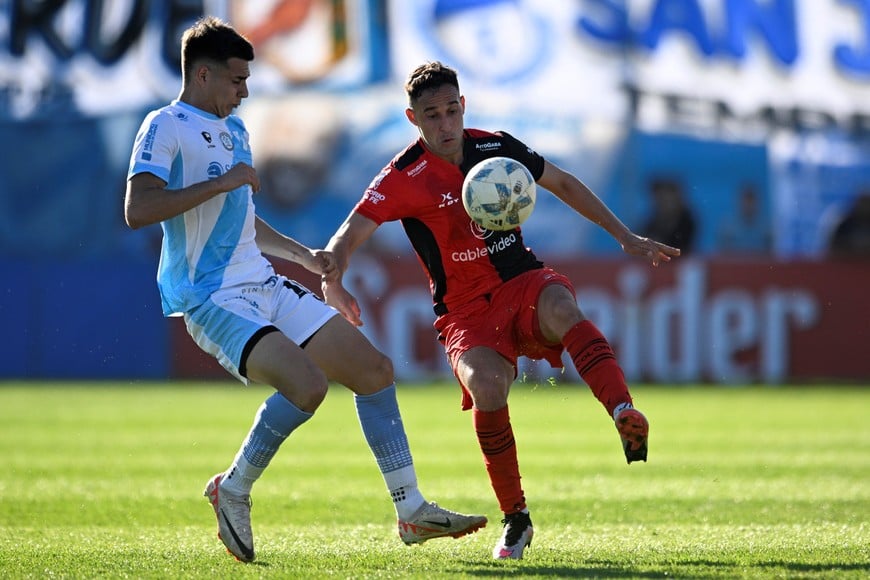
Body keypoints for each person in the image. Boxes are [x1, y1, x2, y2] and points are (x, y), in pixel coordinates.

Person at [124, 20, 486, 563]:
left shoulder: (235, 131)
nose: (244, 91)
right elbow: (138, 209)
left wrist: (304, 257)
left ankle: (410, 509)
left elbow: (241, 222)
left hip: (264, 285)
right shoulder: (164, 126)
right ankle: (234, 488)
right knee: (308, 387)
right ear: (202, 74)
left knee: (374, 371)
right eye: (236, 80)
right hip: (210, 298)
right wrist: (221, 183)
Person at [322, 61, 681, 560]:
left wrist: (626, 237)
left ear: (463, 106)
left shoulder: (495, 147)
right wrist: (333, 271)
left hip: (521, 279)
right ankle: (517, 519)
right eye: (432, 115)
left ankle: (623, 411)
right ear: (413, 118)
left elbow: (564, 183)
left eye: (452, 111)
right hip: (464, 310)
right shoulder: (403, 175)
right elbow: (350, 234)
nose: (445, 124)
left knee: (561, 306)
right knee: (488, 388)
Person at [640, 176, 697, 254]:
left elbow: (679, 246)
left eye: (666, 199)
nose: (663, 203)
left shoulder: (687, 221)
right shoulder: (653, 219)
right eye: (660, 199)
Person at [717, 185, 771, 255]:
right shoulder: (727, 227)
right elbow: (721, 253)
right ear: (739, 202)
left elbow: (771, 254)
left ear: (757, 203)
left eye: (751, 201)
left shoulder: (766, 229)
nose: (749, 205)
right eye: (746, 201)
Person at [828, 191, 870, 259]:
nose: (865, 206)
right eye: (862, 203)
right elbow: (833, 248)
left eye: (867, 203)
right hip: (848, 264)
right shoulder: (845, 224)